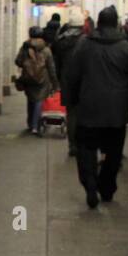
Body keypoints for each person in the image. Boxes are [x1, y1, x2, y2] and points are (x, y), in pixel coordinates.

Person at [60, 5, 128, 208]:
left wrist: (70, 101)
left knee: (86, 150)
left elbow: (72, 76)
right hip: (116, 114)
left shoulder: (84, 45)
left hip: (88, 110)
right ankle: (106, 188)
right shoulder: (125, 48)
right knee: (113, 154)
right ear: (116, 24)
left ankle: (90, 186)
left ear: (98, 23)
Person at [14, 26, 59, 136]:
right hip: (42, 79)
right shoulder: (46, 49)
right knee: (39, 101)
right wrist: (55, 83)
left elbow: (18, 61)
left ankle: (30, 124)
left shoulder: (25, 48)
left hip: (28, 78)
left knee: (31, 99)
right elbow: (51, 67)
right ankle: (36, 125)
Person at [51, 23, 83, 156]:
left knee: (71, 114)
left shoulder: (59, 42)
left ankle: (72, 145)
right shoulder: (85, 40)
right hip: (82, 80)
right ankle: (82, 143)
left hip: (67, 80)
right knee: (84, 113)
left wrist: (58, 81)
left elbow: (56, 64)